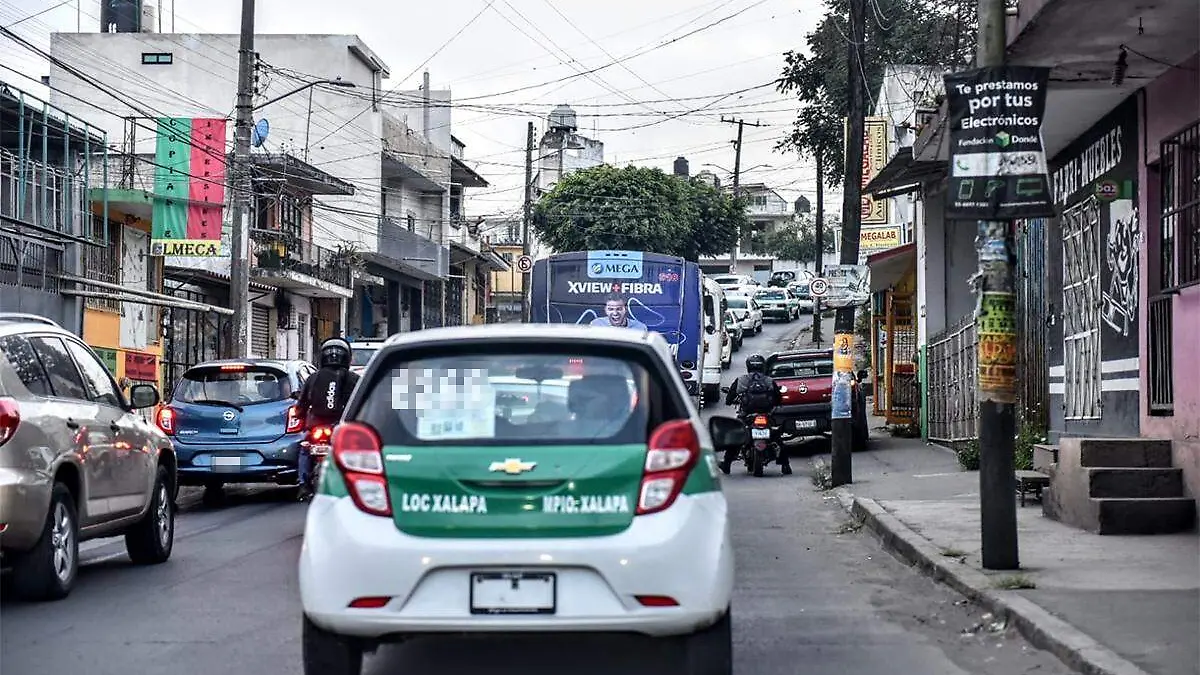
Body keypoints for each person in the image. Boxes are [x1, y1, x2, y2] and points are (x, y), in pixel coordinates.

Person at [295, 337, 361, 497]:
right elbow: (362, 402)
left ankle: (302, 484)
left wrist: (300, 415)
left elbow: (301, 404)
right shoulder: (354, 379)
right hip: (341, 426)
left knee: (304, 449)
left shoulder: (313, 378)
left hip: (317, 426)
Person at [721, 353, 790, 475]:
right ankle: (785, 465)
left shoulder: (741, 380)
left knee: (735, 437)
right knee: (777, 439)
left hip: (746, 416)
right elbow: (778, 398)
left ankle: (726, 464)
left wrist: (731, 400)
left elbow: (729, 399)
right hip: (766, 415)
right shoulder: (769, 380)